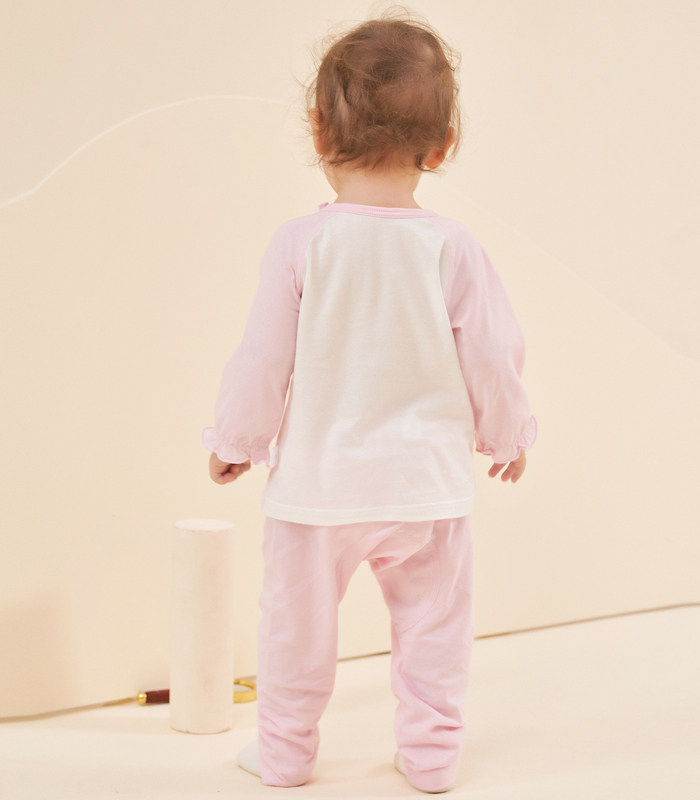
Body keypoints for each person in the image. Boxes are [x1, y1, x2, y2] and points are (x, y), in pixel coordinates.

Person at [202, 10, 537, 794]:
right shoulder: (453, 248)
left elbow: (263, 359)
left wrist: (235, 440)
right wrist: (508, 433)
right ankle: (431, 757)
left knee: (296, 631)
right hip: (426, 489)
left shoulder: (301, 244)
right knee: (434, 632)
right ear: (443, 145)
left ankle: (285, 755)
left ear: (319, 131)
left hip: (318, 490)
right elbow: (493, 354)